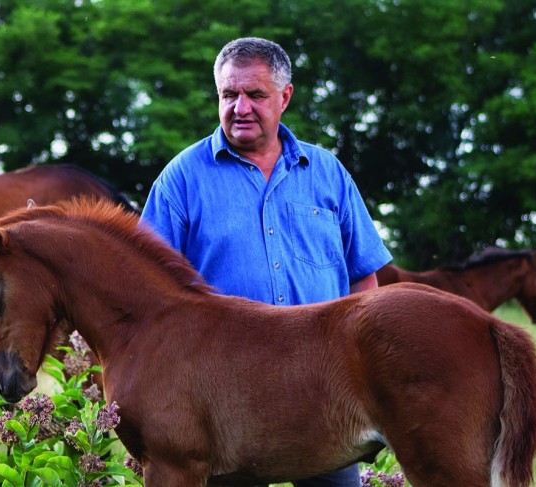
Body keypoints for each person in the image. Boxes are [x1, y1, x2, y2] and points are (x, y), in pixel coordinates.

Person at [140, 37, 392, 487]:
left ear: (284, 97)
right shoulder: (181, 179)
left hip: (325, 390)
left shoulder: (328, 173)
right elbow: (146, 292)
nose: (240, 107)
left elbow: (364, 280)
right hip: (224, 400)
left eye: (255, 95)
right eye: (228, 94)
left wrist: (363, 373)